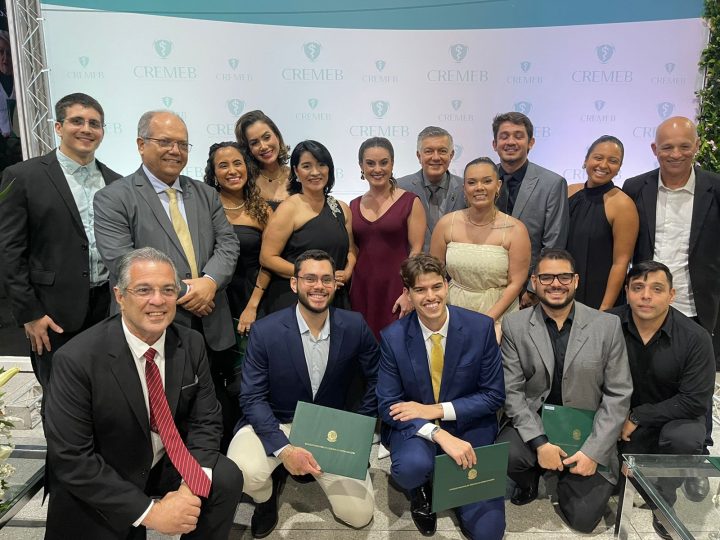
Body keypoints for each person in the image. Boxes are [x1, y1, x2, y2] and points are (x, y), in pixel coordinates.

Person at [44, 248, 243, 540]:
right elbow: (72, 458)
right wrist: (152, 513)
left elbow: (207, 419)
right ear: (120, 296)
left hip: (165, 459)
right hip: (107, 470)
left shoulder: (190, 343)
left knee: (224, 478)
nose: (158, 301)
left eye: (168, 290)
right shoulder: (76, 359)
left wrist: (192, 485)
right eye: (143, 290)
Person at [94, 111, 240, 451]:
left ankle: (211, 467)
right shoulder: (115, 197)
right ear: (141, 145)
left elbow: (228, 243)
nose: (175, 150)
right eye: (165, 142)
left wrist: (209, 282)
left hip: (210, 317)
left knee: (210, 404)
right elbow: (121, 260)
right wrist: (190, 289)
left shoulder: (204, 193)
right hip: (153, 323)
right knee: (158, 409)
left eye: (182, 144)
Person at [227, 249, 379, 538]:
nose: (318, 286)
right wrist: (284, 450)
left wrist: (358, 427)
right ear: (295, 284)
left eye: (326, 279)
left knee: (359, 516)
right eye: (309, 278)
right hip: (276, 420)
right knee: (243, 470)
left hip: (329, 428)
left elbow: (378, 379)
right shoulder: (265, 331)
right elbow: (252, 397)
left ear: (336, 284)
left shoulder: (355, 325)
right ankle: (265, 498)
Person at [497, 248, 632, 533]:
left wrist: (594, 452)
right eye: (546, 277)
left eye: (563, 277)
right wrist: (540, 443)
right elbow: (513, 393)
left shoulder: (606, 326)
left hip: (585, 430)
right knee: (508, 453)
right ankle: (532, 475)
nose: (555, 284)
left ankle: (569, 470)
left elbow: (618, 395)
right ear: (534, 281)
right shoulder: (515, 325)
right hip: (536, 422)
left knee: (583, 520)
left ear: (576, 280)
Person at [377, 254, 505, 539]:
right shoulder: (392, 337)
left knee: (490, 532)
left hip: (469, 425)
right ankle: (421, 489)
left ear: (447, 286)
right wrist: (438, 433)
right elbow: (387, 406)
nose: (430, 296)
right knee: (410, 468)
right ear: (408, 293)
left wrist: (436, 410)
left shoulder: (480, 328)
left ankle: (456, 490)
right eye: (420, 290)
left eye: (436, 286)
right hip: (417, 430)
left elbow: (494, 396)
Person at [0, 92, 120, 393]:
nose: (86, 129)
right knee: (60, 397)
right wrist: (30, 313)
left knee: (107, 392)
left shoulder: (116, 181)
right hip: (52, 314)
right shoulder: (23, 176)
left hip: (108, 309)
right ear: (58, 127)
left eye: (95, 123)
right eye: (77, 121)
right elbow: (10, 252)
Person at [623, 115, 720, 453]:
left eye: (683, 146)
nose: (675, 154)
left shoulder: (715, 187)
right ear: (654, 149)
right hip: (647, 300)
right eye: (667, 147)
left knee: (697, 381)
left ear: (696, 146)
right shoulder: (636, 188)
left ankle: (698, 450)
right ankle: (646, 437)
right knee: (649, 373)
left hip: (695, 304)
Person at [611, 261, 715, 540]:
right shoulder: (607, 324)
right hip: (617, 420)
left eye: (657, 289)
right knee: (595, 505)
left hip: (672, 419)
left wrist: (638, 416)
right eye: (638, 288)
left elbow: (694, 401)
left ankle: (664, 501)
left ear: (672, 294)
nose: (646, 295)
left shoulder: (696, 337)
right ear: (627, 291)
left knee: (685, 438)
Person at [430, 157, 531, 340]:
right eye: (472, 182)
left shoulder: (516, 229)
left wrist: (487, 320)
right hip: (453, 311)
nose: (479, 187)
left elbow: (516, 282)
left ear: (498, 185)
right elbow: (434, 274)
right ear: (464, 188)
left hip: (500, 314)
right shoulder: (446, 224)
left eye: (487, 181)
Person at [260, 140, 356, 313]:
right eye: (306, 166)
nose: (315, 172)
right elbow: (267, 257)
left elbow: (350, 250)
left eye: (321, 164)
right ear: (296, 171)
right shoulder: (289, 208)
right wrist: (312, 277)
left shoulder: (342, 208)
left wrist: (348, 271)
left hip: (335, 299)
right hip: (294, 301)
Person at [350, 137, 426, 338]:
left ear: (392, 164)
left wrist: (409, 292)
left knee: (397, 348)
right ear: (361, 166)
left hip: (396, 288)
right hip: (361, 290)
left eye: (384, 162)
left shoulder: (410, 201)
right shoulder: (353, 205)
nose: (377, 169)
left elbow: (416, 252)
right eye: (370, 163)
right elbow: (353, 250)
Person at [492, 112, 569, 303]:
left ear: (531, 142)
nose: (511, 142)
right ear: (495, 144)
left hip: (528, 292)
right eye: (504, 136)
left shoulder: (552, 183)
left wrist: (534, 288)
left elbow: (554, 243)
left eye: (518, 136)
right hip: (485, 285)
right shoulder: (482, 180)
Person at [203, 141, 272, 335]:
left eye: (237, 163)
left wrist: (252, 306)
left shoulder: (262, 210)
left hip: (254, 299)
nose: (232, 171)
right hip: (210, 301)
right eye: (223, 165)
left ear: (247, 167)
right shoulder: (203, 208)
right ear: (214, 173)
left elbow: (270, 261)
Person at [567, 135, 638, 310]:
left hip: (598, 294)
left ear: (619, 167)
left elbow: (621, 263)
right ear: (586, 160)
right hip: (562, 287)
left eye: (613, 161)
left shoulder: (623, 204)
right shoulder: (568, 192)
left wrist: (604, 309)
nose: (603, 165)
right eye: (598, 158)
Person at [397, 126, 465, 251]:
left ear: (452, 155)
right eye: (429, 151)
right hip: (414, 267)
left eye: (442, 151)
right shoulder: (399, 188)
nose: (436, 157)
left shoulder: (465, 189)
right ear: (419, 156)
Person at [235, 110, 290, 210]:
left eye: (267, 137)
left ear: (277, 136)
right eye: (254, 143)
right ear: (248, 149)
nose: (263, 146)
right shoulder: (246, 184)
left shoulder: (298, 177)